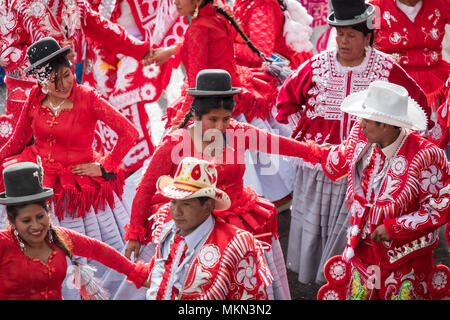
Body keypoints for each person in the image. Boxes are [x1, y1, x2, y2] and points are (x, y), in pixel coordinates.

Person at [121, 69, 322, 300]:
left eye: (225, 119)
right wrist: (135, 232)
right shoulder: (176, 143)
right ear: (196, 116)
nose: (220, 126)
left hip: (240, 223)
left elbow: (279, 144)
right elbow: (146, 187)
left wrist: (317, 153)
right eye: (212, 120)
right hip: (193, 225)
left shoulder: (238, 132)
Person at [275, 0, 432, 285]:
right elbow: (284, 103)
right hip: (320, 171)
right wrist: (308, 137)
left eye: (351, 35)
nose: (343, 41)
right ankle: (327, 284)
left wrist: (390, 149)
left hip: (368, 175)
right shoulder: (316, 66)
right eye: (339, 34)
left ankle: (352, 283)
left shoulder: (386, 70)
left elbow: (420, 109)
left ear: (367, 37)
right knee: (318, 236)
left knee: (359, 240)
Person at [0, 37, 139, 299]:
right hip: (37, 182)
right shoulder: (34, 98)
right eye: (54, 79)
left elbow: (128, 133)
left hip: (77, 190)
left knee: (88, 253)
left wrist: (105, 166)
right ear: (40, 81)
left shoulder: (87, 98)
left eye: (67, 74)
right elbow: (17, 142)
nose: (64, 84)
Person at [296, 80, 450, 300]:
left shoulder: (426, 155)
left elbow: (439, 208)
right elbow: (330, 159)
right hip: (362, 252)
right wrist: (275, 144)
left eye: (367, 121)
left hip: (404, 258)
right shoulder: (362, 138)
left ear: (385, 124)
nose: (360, 125)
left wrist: (394, 228)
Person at [0, 0, 153, 149]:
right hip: (27, 98)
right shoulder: (12, 3)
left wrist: (142, 50)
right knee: (23, 155)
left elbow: (98, 25)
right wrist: (48, 61)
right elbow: (5, 51)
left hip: (67, 93)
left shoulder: (72, 3)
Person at [0, 161, 148, 300]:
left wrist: (137, 274)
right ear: (12, 221)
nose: (36, 226)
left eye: (40, 217)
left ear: (48, 213)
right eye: (26, 221)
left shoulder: (58, 236)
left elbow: (98, 250)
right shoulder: (3, 243)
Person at [139, 156, 273, 300]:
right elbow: (158, 277)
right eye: (173, 202)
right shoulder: (166, 230)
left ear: (208, 206)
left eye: (186, 204)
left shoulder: (234, 244)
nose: (176, 212)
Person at [81, 0, 189, 175]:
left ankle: (140, 174)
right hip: (102, 58)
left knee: (128, 111)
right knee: (102, 115)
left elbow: (165, 13)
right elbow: (90, 23)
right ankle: (116, 170)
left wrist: (147, 50)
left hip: (135, 54)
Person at [369, 0, 450, 112]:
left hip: (437, 85)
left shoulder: (441, 3)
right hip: (392, 83)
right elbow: (362, 44)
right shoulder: (376, 8)